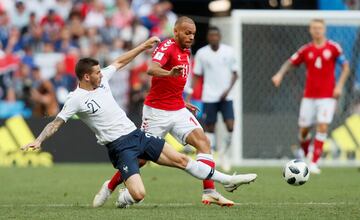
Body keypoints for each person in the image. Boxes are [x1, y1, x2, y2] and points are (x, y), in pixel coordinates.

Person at [21, 36, 257, 209]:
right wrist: (38, 139)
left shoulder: (101, 80)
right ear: (86, 77)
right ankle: (123, 196)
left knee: (183, 160)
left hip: (137, 136)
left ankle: (227, 180)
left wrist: (143, 46)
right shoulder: (75, 99)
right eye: (96, 72)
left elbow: (120, 61)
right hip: (119, 148)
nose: (102, 74)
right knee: (139, 195)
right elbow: (57, 122)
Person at [94, 16, 253, 208]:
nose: (191, 37)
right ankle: (110, 186)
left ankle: (209, 191)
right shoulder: (166, 47)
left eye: (193, 34)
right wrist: (169, 73)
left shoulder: (187, 51)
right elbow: (152, 69)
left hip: (177, 109)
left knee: (203, 142)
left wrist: (182, 101)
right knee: (142, 159)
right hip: (156, 113)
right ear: (176, 31)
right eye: (187, 33)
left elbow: (174, 84)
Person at [271, 19, 350, 174]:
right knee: (304, 131)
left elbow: (346, 67)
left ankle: (314, 162)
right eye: (314, 28)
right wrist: (279, 74)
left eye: (319, 28)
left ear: (324, 30)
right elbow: (290, 62)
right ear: (310, 30)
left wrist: (339, 86)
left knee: (322, 125)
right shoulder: (306, 50)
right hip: (309, 96)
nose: (317, 31)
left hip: (327, 96)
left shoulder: (333, 48)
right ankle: (306, 154)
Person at [190, 26, 238, 172]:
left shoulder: (229, 52)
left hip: (226, 96)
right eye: (211, 36)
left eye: (216, 35)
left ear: (220, 37)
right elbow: (197, 75)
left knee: (230, 126)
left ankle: (224, 154)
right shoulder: (202, 53)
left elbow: (236, 74)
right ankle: (212, 156)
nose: (213, 38)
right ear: (208, 38)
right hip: (209, 96)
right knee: (210, 127)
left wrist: (227, 90)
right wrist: (190, 93)